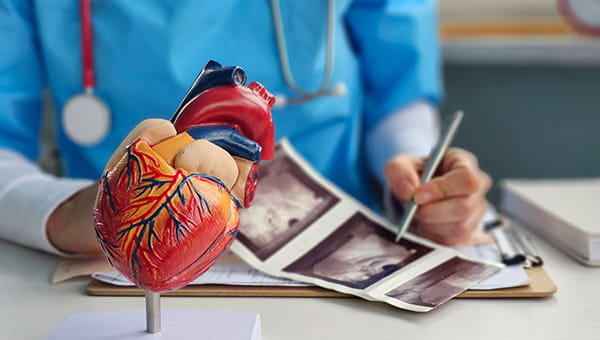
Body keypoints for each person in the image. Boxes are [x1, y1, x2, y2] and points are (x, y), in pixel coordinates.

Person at [0, 0, 491, 256]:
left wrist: (412, 169)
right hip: (111, 257)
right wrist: (63, 215)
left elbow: (397, 88)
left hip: (346, 232)